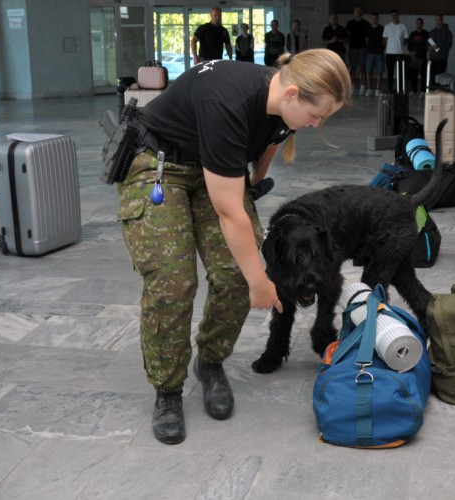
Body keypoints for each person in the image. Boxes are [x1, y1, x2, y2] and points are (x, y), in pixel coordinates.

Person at [118, 49, 351, 445]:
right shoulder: (226, 101)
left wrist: (255, 182)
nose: (316, 124)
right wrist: (260, 283)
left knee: (233, 275)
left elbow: (273, 137)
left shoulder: (283, 100)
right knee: (173, 283)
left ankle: (210, 362)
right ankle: (168, 390)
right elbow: (229, 212)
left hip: (215, 167)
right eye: (316, 115)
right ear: (292, 94)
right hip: (160, 165)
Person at [346, 6, 371, 96]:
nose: (357, 12)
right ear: (354, 13)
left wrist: (367, 47)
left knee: (362, 67)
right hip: (352, 48)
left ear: (361, 12)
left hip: (362, 48)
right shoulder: (350, 23)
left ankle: (362, 87)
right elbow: (347, 36)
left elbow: (368, 37)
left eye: (359, 11)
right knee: (352, 68)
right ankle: (351, 86)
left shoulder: (366, 24)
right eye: (356, 11)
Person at [382, 9, 409, 91]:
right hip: (389, 53)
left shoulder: (403, 26)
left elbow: (406, 39)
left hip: (400, 53)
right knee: (390, 72)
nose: (394, 17)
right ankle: (390, 89)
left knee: (400, 73)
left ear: (398, 15)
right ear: (391, 16)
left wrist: (399, 45)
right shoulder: (387, 26)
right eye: (392, 15)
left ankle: (400, 89)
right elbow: (385, 39)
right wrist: (391, 46)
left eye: (395, 15)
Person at [428, 14, 453, 87]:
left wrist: (438, 46)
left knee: (441, 78)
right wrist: (429, 47)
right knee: (432, 76)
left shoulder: (447, 32)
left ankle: (440, 91)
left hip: (441, 58)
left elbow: (448, 44)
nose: (437, 21)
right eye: (436, 20)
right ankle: (432, 90)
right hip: (432, 57)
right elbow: (428, 42)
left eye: (439, 20)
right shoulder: (432, 31)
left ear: (442, 20)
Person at [407, 17, 430, 97]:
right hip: (414, 58)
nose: (418, 25)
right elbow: (409, 45)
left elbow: (427, 46)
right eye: (417, 23)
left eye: (420, 23)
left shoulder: (426, 34)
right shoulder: (412, 34)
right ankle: (413, 90)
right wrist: (411, 52)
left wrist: (417, 52)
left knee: (423, 75)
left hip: (422, 57)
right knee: (413, 75)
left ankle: (423, 91)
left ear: (422, 24)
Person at [364, 12, 385, 96]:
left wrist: (382, 48)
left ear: (378, 19)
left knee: (379, 71)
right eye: (372, 18)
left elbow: (384, 40)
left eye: (375, 18)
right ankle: (369, 89)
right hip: (369, 53)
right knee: (368, 72)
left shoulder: (382, 28)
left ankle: (378, 89)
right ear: (371, 19)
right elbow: (366, 40)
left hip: (379, 53)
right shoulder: (368, 29)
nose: (374, 19)